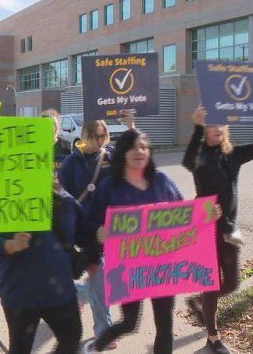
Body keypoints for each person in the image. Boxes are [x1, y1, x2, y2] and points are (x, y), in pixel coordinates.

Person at [181, 99, 253, 354]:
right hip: (206, 228)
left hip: (230, 230)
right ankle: (213, 337)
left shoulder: (233, 155)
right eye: (211, 123)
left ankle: (198, 301)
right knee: (212, 282)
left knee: (233, 283)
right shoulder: (200, 155)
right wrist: (196, 128)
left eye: (220, 123)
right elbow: (188, 162)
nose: (217, 127)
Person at [83, 129, 183, 354]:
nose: (140, 152)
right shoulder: (110, 186)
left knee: (165, 325)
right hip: (129, 268)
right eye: (134, 147)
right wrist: (101, 233)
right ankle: (95, 346)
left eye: (145, 147)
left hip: (162, 267)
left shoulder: (163, 181)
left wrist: (207, 214)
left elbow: (185, 215)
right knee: (129, 323)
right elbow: (90, 224)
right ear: (123, 152)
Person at [58, 111, 134, 349]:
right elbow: (62, 197)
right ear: (85, 136)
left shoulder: (110, 156)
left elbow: (135, 154)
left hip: (111, 229)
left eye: (104, 136)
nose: (101, 141)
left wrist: (131, 125)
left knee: (103, 282)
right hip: (85, 231)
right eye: (96, 136)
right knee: (100, 279)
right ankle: (103, 330)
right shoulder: (71, 163)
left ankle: (76, 295)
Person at [0, 179, 84, 354]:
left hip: (59, 289)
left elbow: (83, 228)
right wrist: (9, 245)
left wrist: (95, 246)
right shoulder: (0, 191)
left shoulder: (59, 193)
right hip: (20, 292)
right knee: (21, 349)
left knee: (72, 336)